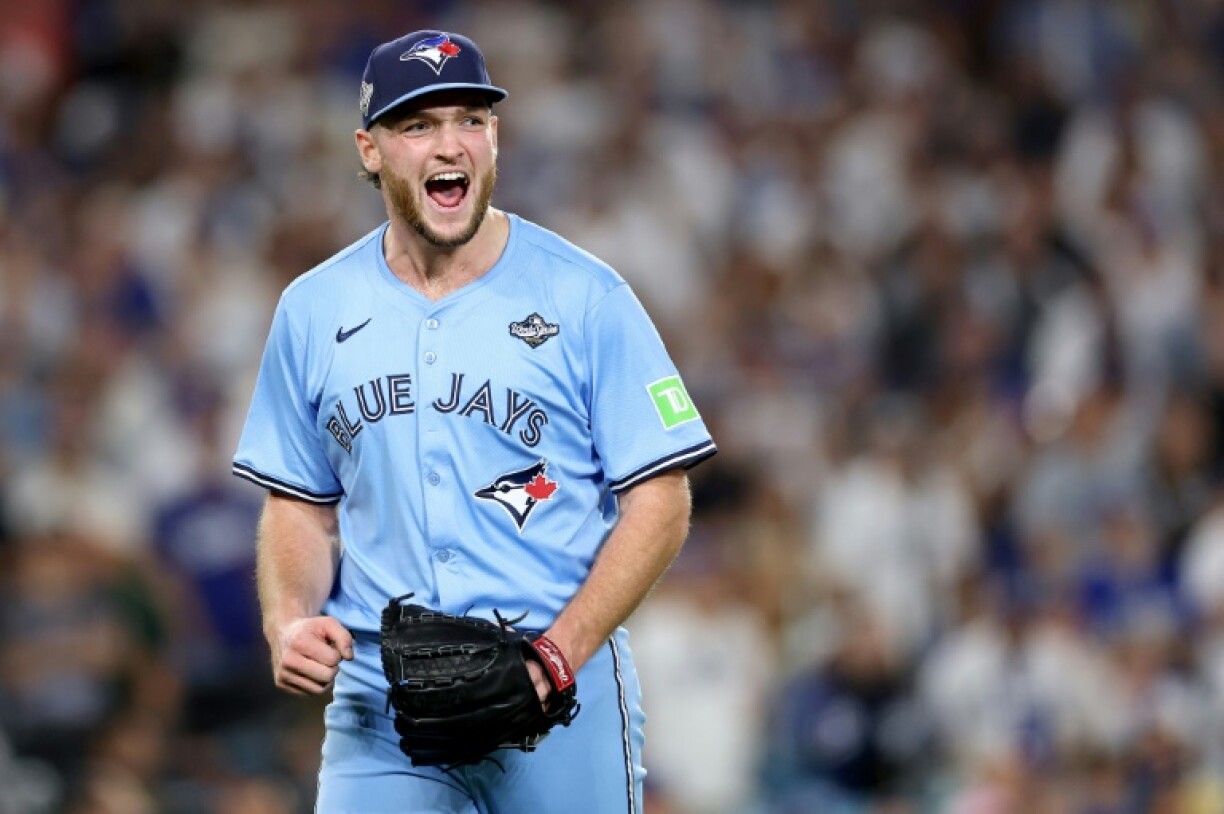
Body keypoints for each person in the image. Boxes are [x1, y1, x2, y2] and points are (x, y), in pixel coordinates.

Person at [231, 29, 717, 813]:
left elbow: (661, 501)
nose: (449, 143)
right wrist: (288, 619)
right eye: (417, 125)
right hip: (381, 709)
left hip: (559, 695)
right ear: (369, 149)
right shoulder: (312, 309)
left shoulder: (585, 296)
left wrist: (560, 655)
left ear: (495, 137)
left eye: (470, 119)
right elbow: (301, 504)